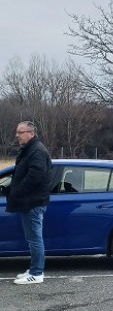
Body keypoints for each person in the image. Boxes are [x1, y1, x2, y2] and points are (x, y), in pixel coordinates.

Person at [7, 121, 53, 285]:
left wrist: (16, 191)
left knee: (35, 238)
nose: (17, 135)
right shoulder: (30, 150)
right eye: (17, 132)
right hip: (29, 201)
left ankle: (36, 273)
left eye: (21, 132)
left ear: (31, 133)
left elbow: (35, 177)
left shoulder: (37, 151)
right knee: (32, 237)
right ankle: (34, 268)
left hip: (33, 202)